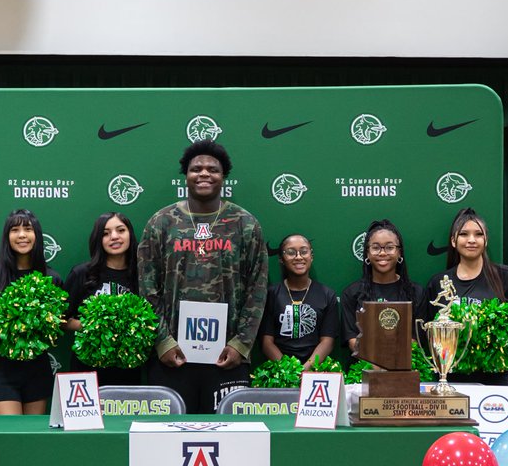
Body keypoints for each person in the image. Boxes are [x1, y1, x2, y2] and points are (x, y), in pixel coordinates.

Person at [137, 140, 267, 413]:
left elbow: (258, 286)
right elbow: (148, 287)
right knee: (169, 439)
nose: (204, 174)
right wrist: (162, 341)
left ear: (224, 177)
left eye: (213, 169)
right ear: (186, 175)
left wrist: (241, 343)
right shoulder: (162, 222)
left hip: (227, 356)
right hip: (172, 357)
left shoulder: (245, 223)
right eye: (196, 168)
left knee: (229, 440)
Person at [0, 209, 64, 415]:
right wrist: (0, 329)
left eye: (28, 229)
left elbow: (60, 325)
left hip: (36, 364)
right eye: (15, 230)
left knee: (30, 435)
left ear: (36, 236)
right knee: (9, 429)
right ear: (7, 237)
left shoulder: (52, 279)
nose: (22, 235)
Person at [423, 207, 508, 385]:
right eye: (464, 234)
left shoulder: (507, 276)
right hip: (450, 375)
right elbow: (427, 328)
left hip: (494, 373)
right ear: (453, 241)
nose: (471, 240)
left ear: (486, 240)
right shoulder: (438, 282)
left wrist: (491, 335)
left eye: (478, 234)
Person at [64, 212, 143, 387]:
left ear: (130, 234)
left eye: (120, 230)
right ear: (98, 239)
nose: (114, 237)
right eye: (105, 233)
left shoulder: (143, 275)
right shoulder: (81, 274)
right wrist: (93, 325)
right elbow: (60, 320)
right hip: (86, 368)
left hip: (128, 369)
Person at [341, 219, 424, 359]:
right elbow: (352, 340)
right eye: (376, 247)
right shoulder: (352, 293)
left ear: (399, 253)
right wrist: (377, 362)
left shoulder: (416, 292)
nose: (382, 253)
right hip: (364, 370)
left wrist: (391, 363)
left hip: (404, 369)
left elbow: (415, 340)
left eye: (389, 247)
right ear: (367, 253)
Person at [259, 233, 339, 367]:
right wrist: (289, 370)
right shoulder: (271, 294)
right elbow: (266, 342)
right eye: (291, 252)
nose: (298, 257)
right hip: (280, 370)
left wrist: (306, 369)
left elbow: (327, 341)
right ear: (281, 259)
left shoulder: (327, 294)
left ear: (311, 256)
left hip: (314, 370)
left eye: (304, 251)